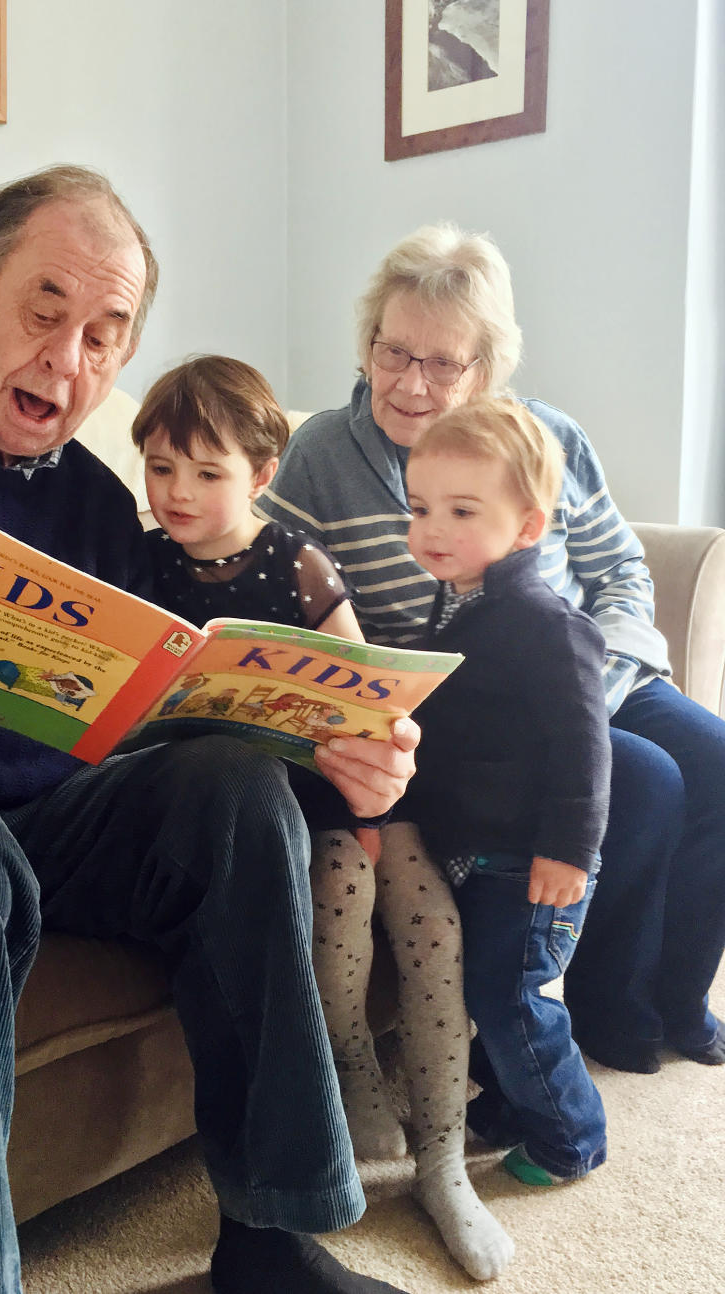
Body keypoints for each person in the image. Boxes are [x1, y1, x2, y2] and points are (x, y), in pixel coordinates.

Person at [0, 166, 423, 1294]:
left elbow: (156, 709)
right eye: (44, 312)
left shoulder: (99, 508)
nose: (70, 364)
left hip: (43, 813)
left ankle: (274, 1238)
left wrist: (337, 747)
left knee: (231, 788)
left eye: (107, 336)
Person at [257, 221, 725, 1078]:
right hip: (470, 717)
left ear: (488, 368)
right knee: (647, 780)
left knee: (715, 758)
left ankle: (678, 998)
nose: (410, 383)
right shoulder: (322, 454)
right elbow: (278, 591)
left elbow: (618, 569)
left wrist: (602, 682)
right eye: (392, 351)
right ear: (367, 345)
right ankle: (608, 1014)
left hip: (594, 673)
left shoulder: (543, 437)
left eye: (444, 363)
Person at [132, 354, 514, 1280]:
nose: (178, 492)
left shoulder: (293, 561)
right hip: (248, 811)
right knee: (336, 893)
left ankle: (443, 1160)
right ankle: (348, 1078)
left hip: (348, 789)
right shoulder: (139, 563)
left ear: (262, 478)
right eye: (160, 468)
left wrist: (376, 756)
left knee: (427, 921)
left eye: (207, 472)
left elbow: (371, 697)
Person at [402, 396, 610, 1184]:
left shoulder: (542, 621)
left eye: (461, 510)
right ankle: (514, 1100)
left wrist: (567, 852)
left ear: (527, 526)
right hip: (477, 853)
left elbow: (585, 749)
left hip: (531, 860)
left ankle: (570, 1138)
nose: (433, 529)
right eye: (420, 507)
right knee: (479, 986)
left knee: (512, 997)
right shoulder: (459, 600)